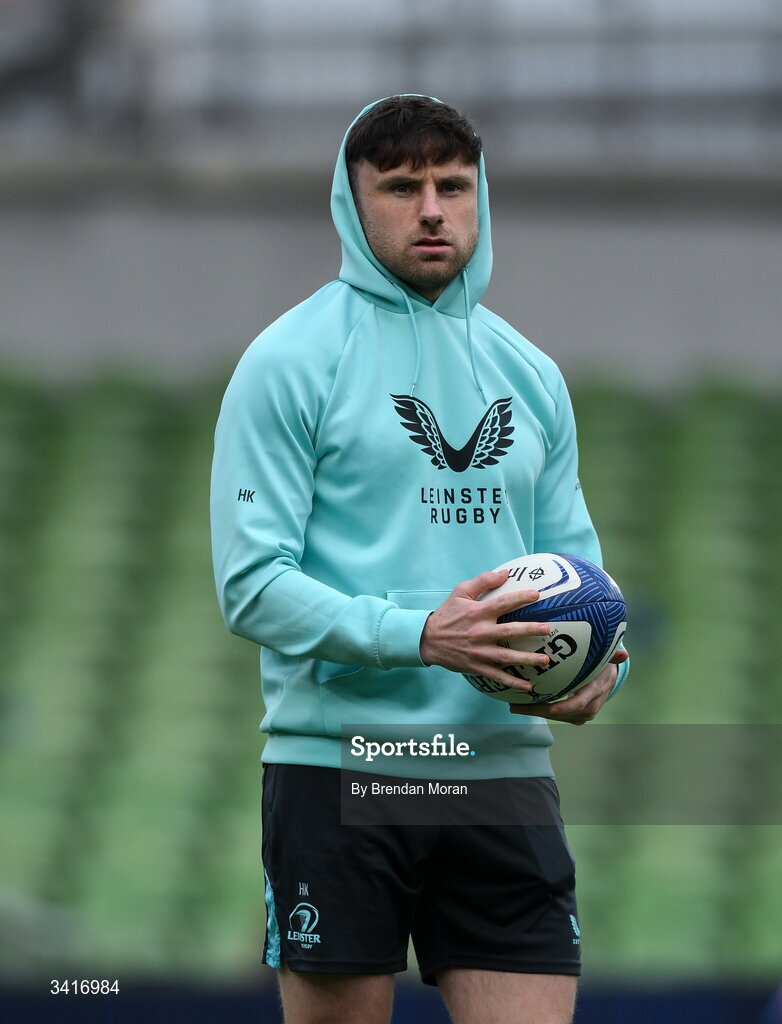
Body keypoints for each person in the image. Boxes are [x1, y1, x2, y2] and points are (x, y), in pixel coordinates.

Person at [211, 95, 629, 1024]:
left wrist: (603, 671)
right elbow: (251, 586)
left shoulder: (532, 375)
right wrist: (421, 637)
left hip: (505, 778)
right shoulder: (288, 362)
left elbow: (584, 580)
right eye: (400, 188)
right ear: (352, 206)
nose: (432, 208)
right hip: (344, 773)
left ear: (481, 197)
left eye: (453, 184)